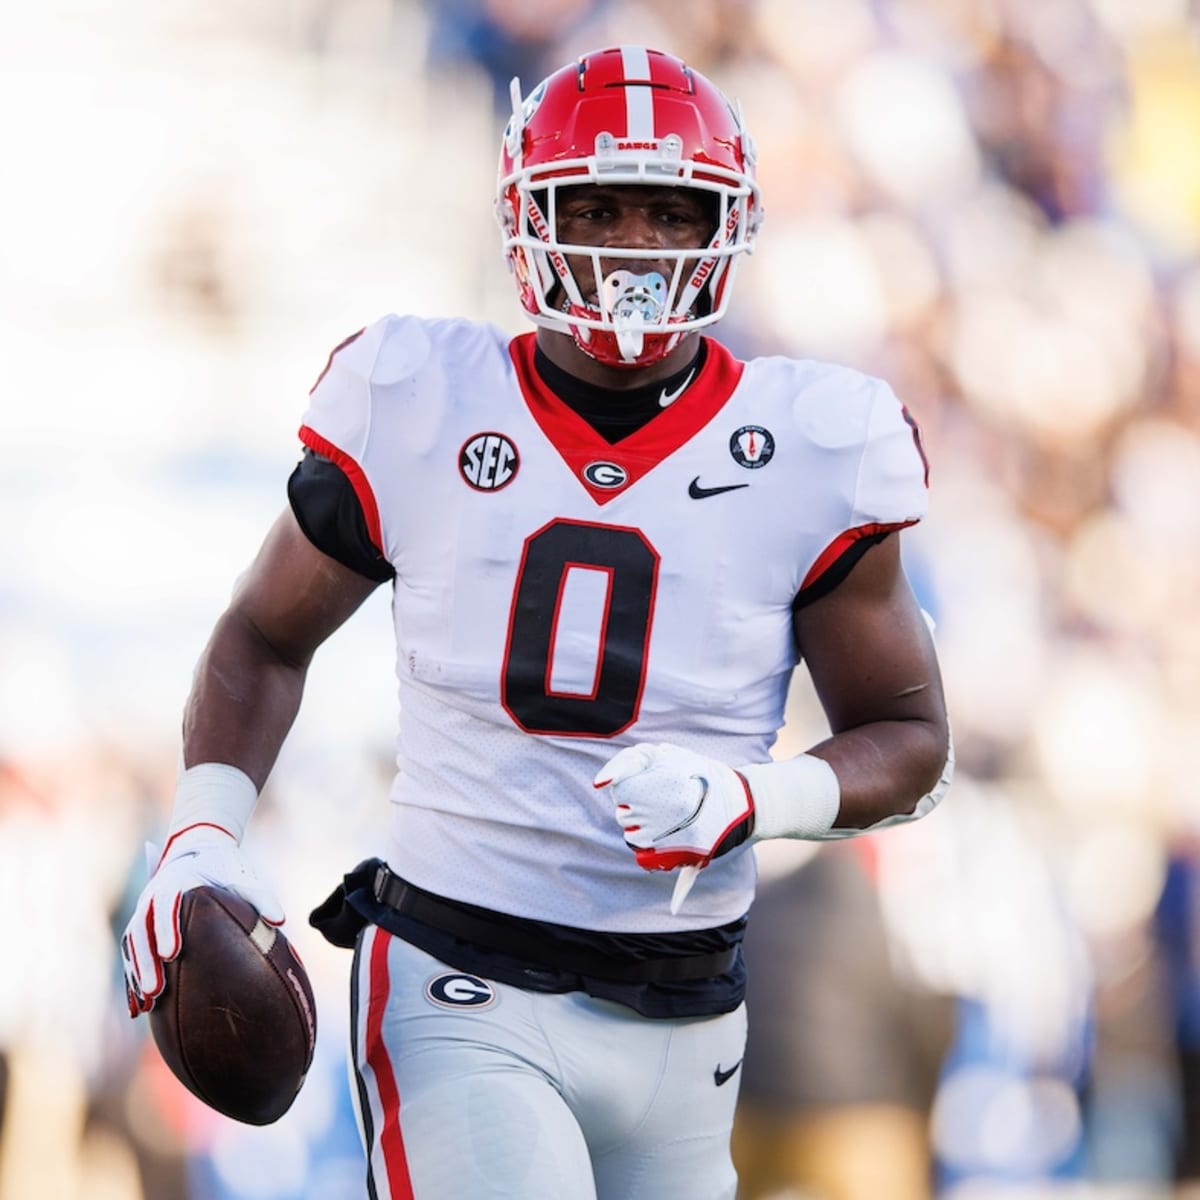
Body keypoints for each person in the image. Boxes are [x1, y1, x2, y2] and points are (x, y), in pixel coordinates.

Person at [120, 44, 953, 1200]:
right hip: (462, 980)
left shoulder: (814, 445)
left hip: (690, 1013)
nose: (629, 246)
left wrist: (759, 797)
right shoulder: (418, 395)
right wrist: (203, 832)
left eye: (668, 212)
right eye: (595, 207)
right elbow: (265, 634)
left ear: (728, 223)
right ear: (526, 217)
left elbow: (911, 745)